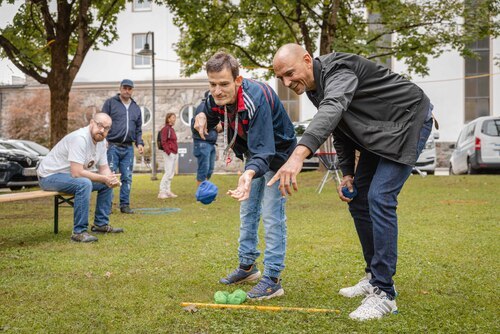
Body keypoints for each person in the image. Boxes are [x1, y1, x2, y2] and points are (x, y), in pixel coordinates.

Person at [270, 44, 435, 320]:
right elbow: (340, 125)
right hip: (378, 132)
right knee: (358, 197)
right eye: (281, 79)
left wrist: (300, 153)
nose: (287, 83)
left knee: (380, 197)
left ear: (308, 60)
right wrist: (348, 172)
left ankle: (384, 293)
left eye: (289, 73)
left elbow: (333, 109)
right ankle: (373, 276)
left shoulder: (339, 70)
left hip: (408, 120)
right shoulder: (315, 89)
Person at [193, 51, 296, 300]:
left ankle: (272, 279)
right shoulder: (218, 95)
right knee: (248, 210)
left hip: (278, 155)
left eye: (224, 84)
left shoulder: (254, 98)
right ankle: (248, 267)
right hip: (255, 153)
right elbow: (208, 105)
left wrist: (249, 174)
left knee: (272, 214)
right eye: (212, 84)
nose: (217, 91)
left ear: (238, 81)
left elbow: (265, 150)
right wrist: (201, 113)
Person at [37, 113, 124, 243]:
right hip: (49, 176)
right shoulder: (80, 138)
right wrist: (104, 178)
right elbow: (77, 173)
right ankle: (79, 232)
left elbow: (104, 168)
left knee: (106, 184)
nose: (102, 130)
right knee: (84, 183)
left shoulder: (101, 142)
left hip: (68, 176)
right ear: (92, 123)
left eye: (106, 128)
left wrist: (110, 178)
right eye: (100, 125)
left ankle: (100, 225)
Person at [101, 79, 144, 214]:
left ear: (132, 90)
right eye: (125, 88)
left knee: (127, 177)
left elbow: (138, 128)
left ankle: (124, 205)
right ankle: (107, 205)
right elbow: (102, 121)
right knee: (110, 176)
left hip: (128, 148)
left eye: (129, 88)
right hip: (112, 146)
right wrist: (104, 139)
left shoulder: (136, 107)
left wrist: (140, 143)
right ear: (120, 88)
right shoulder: (110, 103)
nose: (127, 90)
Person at [191, 92, 222, 186]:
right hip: (202, 142)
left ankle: (205, 189)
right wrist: (216, 126)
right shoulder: (203, 107)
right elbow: (196, 127)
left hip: (211, 143)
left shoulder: (214, 109)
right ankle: (201, 194)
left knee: (210, 169)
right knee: (204, 168)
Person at [158, 113, 179, 199]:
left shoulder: (172, 129)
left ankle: (168, 191)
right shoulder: (165, 129)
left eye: (175, 118)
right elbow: (163, 141)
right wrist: (168, 152)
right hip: (169, 153)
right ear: (168, 119)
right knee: (168, 172)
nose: (174, 119)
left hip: (174, 153)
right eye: (173, 117)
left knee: (171, 173)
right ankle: (162, 192)